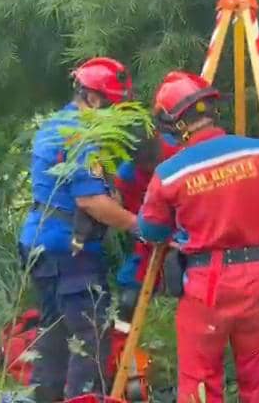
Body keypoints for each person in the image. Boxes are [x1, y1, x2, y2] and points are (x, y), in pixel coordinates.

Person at [137, 71, 259, 403]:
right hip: (258, 279)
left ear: (176, 124)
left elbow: (150, 230)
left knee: (200, 383)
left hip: (205, 285)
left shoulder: (169, 173)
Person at [17, 57, 139, 402]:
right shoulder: (83, 136)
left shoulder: (56, 125)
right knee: (89, 337)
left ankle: (46, 396)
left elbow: (95, 189)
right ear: (94, 99)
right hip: (70, 250)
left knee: (54, 332)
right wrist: (136, 225)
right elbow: (91, 202)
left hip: (40, 243)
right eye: (113, 104)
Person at [109, 130, 182, 375]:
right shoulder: (128, 176)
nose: (151, 170)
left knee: (192, 288)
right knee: (129, 297)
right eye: (146, 167)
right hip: (150, 239)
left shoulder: (180, 155)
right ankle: (121, 366)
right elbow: (126, 215)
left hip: (189, 238)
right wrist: (144, 232)